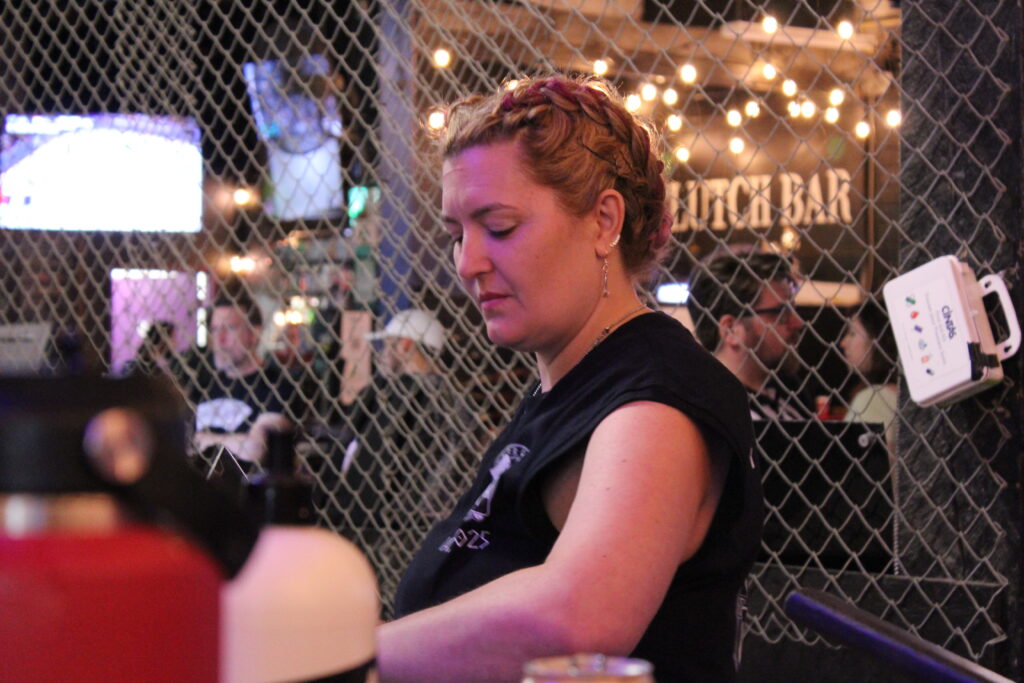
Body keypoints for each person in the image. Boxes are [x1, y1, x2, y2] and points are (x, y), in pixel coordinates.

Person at [376, 75, 763, 682]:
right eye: (456, 236)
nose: (468, 263)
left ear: (604, 221)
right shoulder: (568, 385)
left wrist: (345, 661)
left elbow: (577, 618)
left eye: (500, 227)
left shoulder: (656, 399)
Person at [332, 308, 478, 587]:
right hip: (421, 536)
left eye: (387, 345)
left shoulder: (395, 395)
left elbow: (365, 480)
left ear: (406, 345)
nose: (381, 355)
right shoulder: (456, 401)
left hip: (379, 535)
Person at [687, 251, 810, 421]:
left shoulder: (791, 391)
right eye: (780, 313)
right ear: (731, 330)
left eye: (792, 309)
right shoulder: (707, 411)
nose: (798, 323)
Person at [188, 287, 294, 465]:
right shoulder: (204, 385)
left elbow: (255, 449)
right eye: (215, 329)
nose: (219, 340)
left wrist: (202, 440)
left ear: (254, 334)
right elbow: (183, 444)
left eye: (230, 328)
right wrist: (236, 441)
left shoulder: (278, 386)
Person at [840, 297, 898, 434]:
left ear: (878, 339)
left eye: (852, 333)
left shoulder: (874, 398)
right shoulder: (898, 394)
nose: (843, 343)